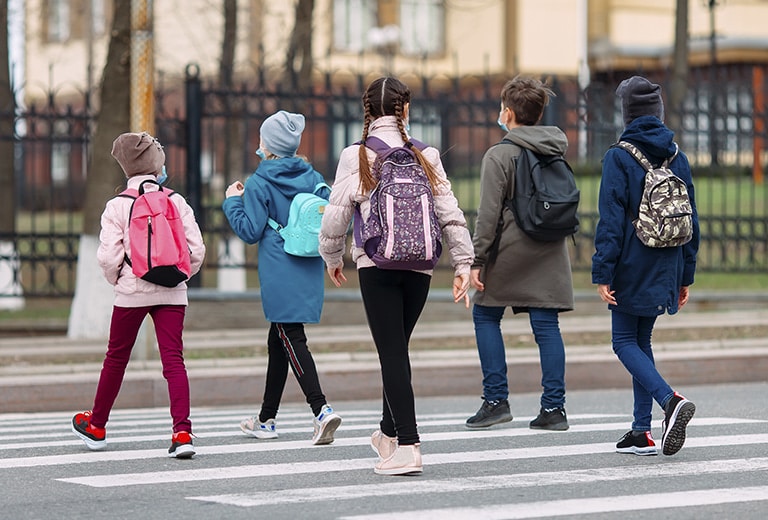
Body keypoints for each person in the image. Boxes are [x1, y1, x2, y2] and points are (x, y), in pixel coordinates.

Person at [318, 76, 474, 476]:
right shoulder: (427, 154)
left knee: (392, 353)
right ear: (406, 111)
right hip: (421, 266)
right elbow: (448, 211)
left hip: (377, 264)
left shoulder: (356, 155)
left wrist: (331, 256)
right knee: (397, 350)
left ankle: (408, 443)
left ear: (366, 111)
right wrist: (462, 264)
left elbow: (335, 214)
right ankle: (388, 433)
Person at [71, 132, 206, 458]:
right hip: (172, 291)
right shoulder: (176, 200)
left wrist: (119, 279)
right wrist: (180, 277)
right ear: (156, 164)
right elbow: (197, 250)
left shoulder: (117, 205)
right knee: (174, 360)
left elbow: (107, 257)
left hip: (131, 291)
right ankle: (182, 433)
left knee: (116, 359)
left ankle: (97, 426)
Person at [592, 75, 699, 456]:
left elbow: (611, 222)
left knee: (623, 342)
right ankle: (641, 432)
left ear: (627, 115)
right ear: (658, 113)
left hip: (631, 266)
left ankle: (670, 401)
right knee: (641, 340)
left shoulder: (618, 156)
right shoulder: (676, 156)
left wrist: (603, 272)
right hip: (668, 263)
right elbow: (692, 221)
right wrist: (686, 274)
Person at [222, 110, 342, 446]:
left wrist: (233, 202)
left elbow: (249, 231)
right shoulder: (311, 175)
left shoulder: (260, 182)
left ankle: (321, 409)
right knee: (278, 341)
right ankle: (266, 418)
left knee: (290, 336)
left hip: (279, 267)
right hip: (306, 262)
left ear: (268, 145)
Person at [466, 76, 573, 432]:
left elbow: (488, 215)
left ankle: (496, 400)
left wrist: (476, 260)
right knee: (546, 326)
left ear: (508, 113)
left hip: (511, 249)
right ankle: (554, 408)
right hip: (551, 250)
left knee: (485, 315)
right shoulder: (555, 148)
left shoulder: (500, 155)